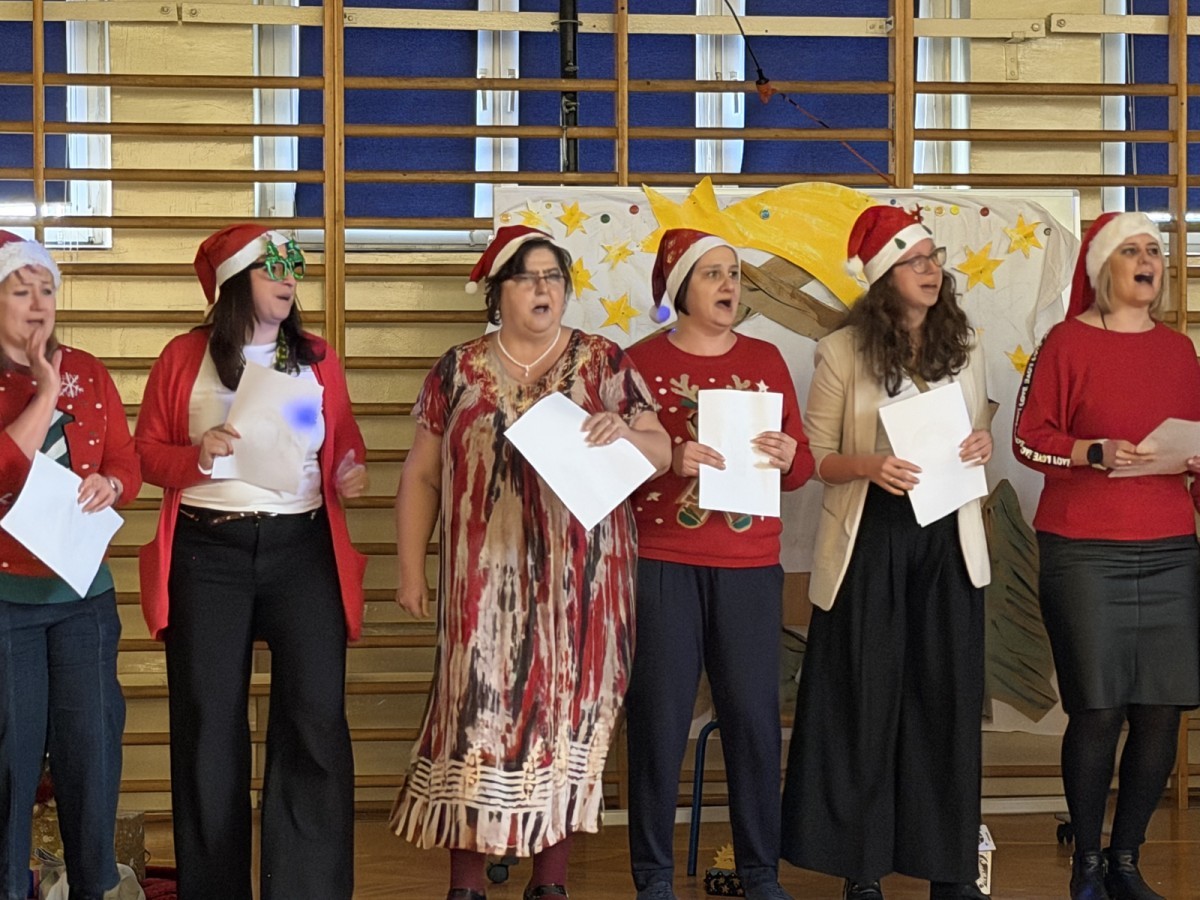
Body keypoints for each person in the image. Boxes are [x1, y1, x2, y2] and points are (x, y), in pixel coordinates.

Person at [390, 225, 671, 900]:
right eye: (529, 277)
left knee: (565, 721)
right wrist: (410, 568)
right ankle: (466, 885)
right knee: (474, 720)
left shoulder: (603, 361)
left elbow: (662, 452)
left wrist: (626, 432)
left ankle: (551, 882)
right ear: (499, 293)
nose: (545, 288)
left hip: (585, 583)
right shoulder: (458, 369)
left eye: (554, 277)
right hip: (480, 582)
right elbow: (421, 475)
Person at [135, 224, 368, 900]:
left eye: (293, 268)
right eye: (273, 269)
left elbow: (344, 443)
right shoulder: (184, 355)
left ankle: (308, 888)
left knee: (315, 716)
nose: (289, 279)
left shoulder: (316, 356)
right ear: (236, 283)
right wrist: (197, 454)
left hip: (303, 548)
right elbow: (145, 454)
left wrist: (348, 471)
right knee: (209, 723)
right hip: (208, 549)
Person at [780, 205, 993, 900]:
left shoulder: (966, 342)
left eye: (934, 259)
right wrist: (869, 466)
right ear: (883, 277)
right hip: (872, 539)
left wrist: (982, 442)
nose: (931, 271)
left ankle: (948, 869)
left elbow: (976, 431)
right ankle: (862, 866)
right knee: (864, 703)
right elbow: (815, 457)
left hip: (948, 539)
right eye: (915, 261)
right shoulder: (842, 351)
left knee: (945, 704)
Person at [621, 229, 814, 900]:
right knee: (658, 720)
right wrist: (671, 458)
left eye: (734, 272)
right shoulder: (637, 362)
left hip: (749, 566)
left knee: (754, 722)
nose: (729, 284)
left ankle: (761, 872)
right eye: (712, 273)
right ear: (680, 289)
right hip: (664, 561)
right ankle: (652, 876)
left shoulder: (767, 359)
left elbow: (801, 468)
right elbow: (609, 468)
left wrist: (789, 457)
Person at [1012, 211, 1200, 900]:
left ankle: (1126, 861)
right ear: (1103, 269)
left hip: (1171, 548)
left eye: (1155, 249)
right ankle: (1087, 864)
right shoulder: (1065, 342)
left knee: (1161, 709)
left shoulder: (1180, 351)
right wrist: (1092, 451)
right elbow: (1028, 439)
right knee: (1098, 708)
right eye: (1132, 250)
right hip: (1085, 550)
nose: (1148, 260)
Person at [0, 232, 141, 900]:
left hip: (84, 594)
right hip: (8, 599)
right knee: (12, 757)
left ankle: (92, 885)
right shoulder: (50, 378)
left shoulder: (90, 369)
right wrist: (45, 390)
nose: (38, 303)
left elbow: (125, 460)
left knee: (92, 751)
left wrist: (112, 484)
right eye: (20, 290)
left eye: (46, 289)